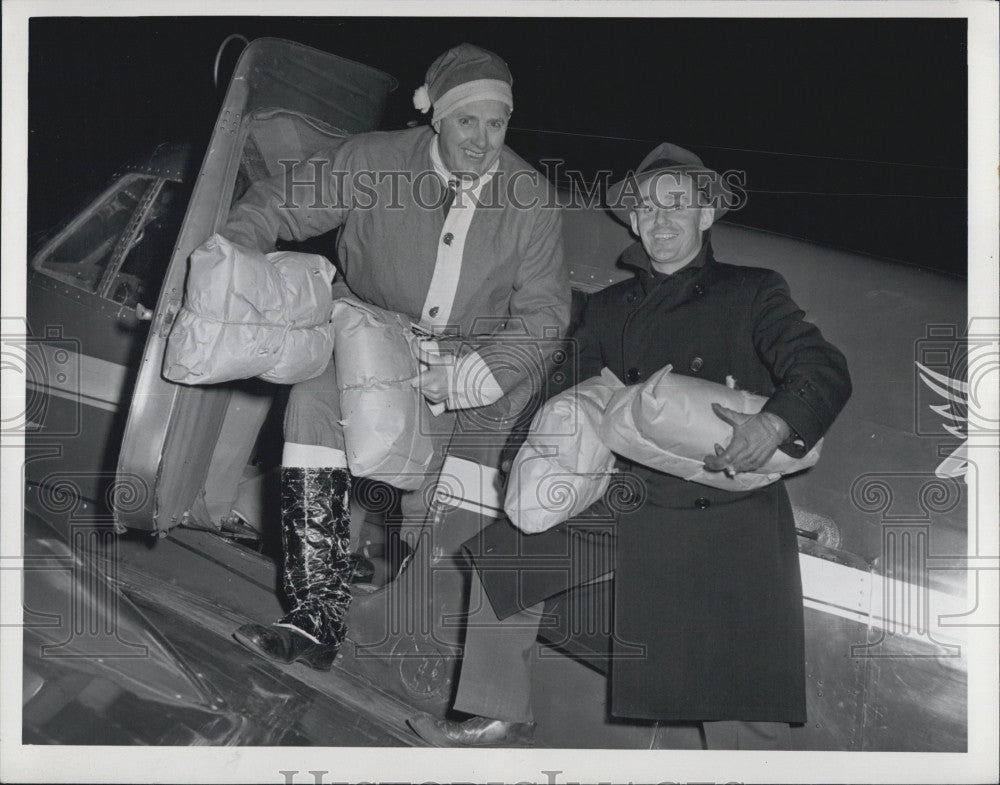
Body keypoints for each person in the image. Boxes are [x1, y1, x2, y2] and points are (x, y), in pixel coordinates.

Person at [408, 142, 851, 748]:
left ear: (706, 214)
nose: (659, 220)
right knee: (506, 558)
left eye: (676, 205)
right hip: (628, 495)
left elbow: (821, 367)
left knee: (729, 681)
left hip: (722, 503)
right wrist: (526, 466)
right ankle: (496, 711)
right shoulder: (611, 308)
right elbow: (562, 394)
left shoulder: (753, 292)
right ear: (634, 221)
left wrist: (775, 424)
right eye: (646, 208)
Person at [225, 44, 569, 670]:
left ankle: (409, 635)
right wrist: (231, 254)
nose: (482, 140)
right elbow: (278, 202)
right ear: (436, 115)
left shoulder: (534, 202)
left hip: (466, 367)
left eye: (497, 124)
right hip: (368, 334)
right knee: (312, 406)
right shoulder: (373, 159)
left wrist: (479, 373)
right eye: (468, 120)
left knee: (435, 497)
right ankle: (314, 615)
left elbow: (545, 315)